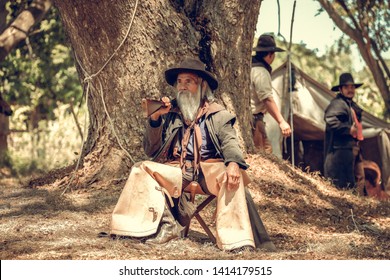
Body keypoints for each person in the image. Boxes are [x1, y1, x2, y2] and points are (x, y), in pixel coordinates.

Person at [111, 57, 276, 252]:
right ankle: (163, 226)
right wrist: (155, 119)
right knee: (141, 168)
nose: (182, 86)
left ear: (202, 86)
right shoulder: (170, 113)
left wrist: (233, 164)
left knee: (233, 177)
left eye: (188, 81)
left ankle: (236, 242)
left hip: (209, 170)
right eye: (179, 82)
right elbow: (151, 150)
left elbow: (230, 143)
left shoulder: (218, 114)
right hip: (178, 170)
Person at [324, 73, 365, 192]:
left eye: (352, 87)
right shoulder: (337, 104)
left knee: (358, 179)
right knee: (343, 185)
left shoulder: (350, 105)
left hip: (352, 148)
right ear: (341, 89)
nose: (350, 90)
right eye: (347, 87)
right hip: (340, 151)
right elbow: (330, 119)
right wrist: (348, 129)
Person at [251, 34, 291, 153]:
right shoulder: (261, 72)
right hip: (253, 121)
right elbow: (267, 99)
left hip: (253, 119)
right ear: (270, 55)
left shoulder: (250, 67)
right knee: (263, 154)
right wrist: (282, 122)